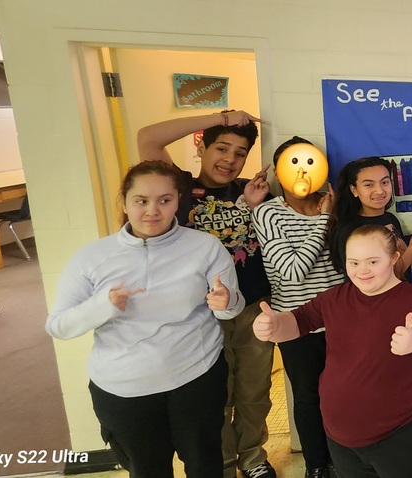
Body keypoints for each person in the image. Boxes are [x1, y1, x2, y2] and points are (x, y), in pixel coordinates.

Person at [46, 161, 245, 477]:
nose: (153, 210)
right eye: (141, 201)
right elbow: (58, 325)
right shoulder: (91, 258)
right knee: (147, 469)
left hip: (196, 377)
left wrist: (225, 301)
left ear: (178, 201)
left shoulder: (203, 246)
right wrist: (103, 305)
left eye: (165, 200)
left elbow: (231, 306)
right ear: (124, 201)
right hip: (124, 387)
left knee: (206, 464)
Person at [252, 224, 412, 478]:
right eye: (354, 262)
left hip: (399, 434)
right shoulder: (334, 298)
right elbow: (298, 322)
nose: (362, 271)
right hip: (341, 439)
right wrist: (273, 325)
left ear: (394, 258)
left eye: (373, 261)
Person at [138, 110, 276, 478]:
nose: (230, 160)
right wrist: (221, 116)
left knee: (254, 391)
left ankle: (252, 457)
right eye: (222, 148)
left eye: (240, 153)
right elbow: (148, 138)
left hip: (251, 308)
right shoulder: (178, 188)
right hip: (200, 315)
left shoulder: (253, 190)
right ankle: (224, 463)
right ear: (202, 147)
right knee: (214, 396)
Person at [252, 136, 343, 478]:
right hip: (296, 324)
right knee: (308, 397)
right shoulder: (268, 211)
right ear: (278, 172)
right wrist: (323, 221)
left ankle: (345, 460)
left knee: (344, 393)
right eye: (293, 163)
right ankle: (318, 466)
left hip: (338, 320)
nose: (302, 171)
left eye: (310, 162)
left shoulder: (335, 206)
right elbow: (292, 271)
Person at [327, 156, 412, 279]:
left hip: (401, 296)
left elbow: (404, 271)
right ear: (354, 190)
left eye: (384, 182)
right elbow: (379, 281)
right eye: (369, 185)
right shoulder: (351, 231)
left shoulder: (390, 219)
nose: (379, 191)